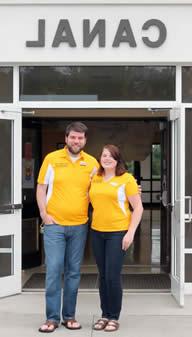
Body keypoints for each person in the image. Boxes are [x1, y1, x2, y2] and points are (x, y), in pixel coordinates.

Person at [36, 122, 98, 333]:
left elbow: (102, 188)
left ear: (85, 140)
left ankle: (69, 316)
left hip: (80, 225)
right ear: (66, 138)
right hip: (55, 226)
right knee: (53, 270)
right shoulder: (52, 159)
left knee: (73, 273)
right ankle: (52, 318)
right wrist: (44, 214)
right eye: (73, 137)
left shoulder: (92, 163)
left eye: (80, 138)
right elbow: (41, 188)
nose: (76, 141)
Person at [89, 144, 143, 332]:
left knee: (112, 276)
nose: (106, 159)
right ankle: (104, 314)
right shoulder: (95, 178)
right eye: (104, 155)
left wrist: (130, 233)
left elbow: (138, 208)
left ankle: (114, 316)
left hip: (117, 233)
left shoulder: (126, 179)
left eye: (111, 156)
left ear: (117, 159)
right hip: (97, 232)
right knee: (103, 276)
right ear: (100, 158)